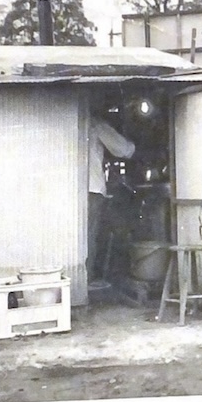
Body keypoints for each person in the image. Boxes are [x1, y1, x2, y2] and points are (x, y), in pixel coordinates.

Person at [88, 112, 135, 283]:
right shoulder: (97, 124)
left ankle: (81, 280)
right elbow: (123, 149)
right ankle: (86, 280)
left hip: (72, 189)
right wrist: (136, 146)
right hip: (91, 189)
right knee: (90, 236)